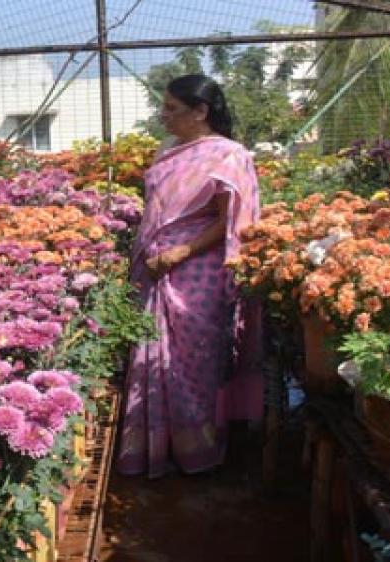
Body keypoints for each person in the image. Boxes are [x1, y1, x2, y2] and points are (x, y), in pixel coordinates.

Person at [116, 74, 262, 478]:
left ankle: (197, 448)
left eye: (172, 109)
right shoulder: (170, 151)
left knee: (191, 363)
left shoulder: (228, 155)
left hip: (195, 271)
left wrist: (181, 251)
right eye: (163, 107)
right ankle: (156, 448)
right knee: (151, 356)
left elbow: (230, 219)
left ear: (201, 112)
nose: (163, 116)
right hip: (154, 266)